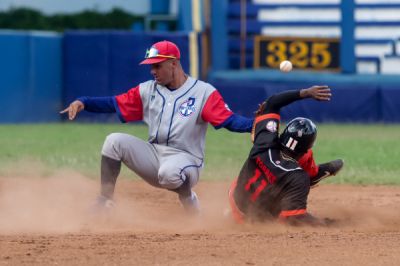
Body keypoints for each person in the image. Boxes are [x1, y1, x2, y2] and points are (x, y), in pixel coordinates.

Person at [60, 40, 254, 214]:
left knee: (169, 173)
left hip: (186, 160)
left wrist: (254, 124)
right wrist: (83, 102)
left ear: (174, 64)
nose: (153, 71)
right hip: (154, 155)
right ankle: (105, 201)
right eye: (151, 66)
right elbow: (114, 103)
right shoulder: (148, 89)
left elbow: (229, 120)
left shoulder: (203, 92)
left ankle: (189, 200)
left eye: (157, 66)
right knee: (114, 141)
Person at [228, 86, 344, 226]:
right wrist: (330, 223)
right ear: (306, 147)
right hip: (254, 221)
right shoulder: (297, 177)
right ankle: (312, 176)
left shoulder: (264, 141)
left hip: (234, 199)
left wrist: (305, 93)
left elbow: (272, 103)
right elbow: (295, 218)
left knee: (283, 176)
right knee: (297, 184)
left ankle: (313, 175)